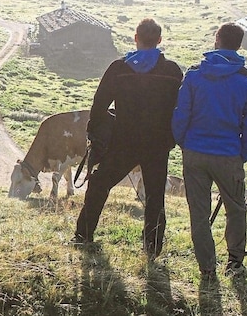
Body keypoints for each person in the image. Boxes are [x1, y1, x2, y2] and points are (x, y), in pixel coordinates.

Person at [74, 18, 183, 259]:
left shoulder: (119, 68)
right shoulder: (173, 72)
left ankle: (83, 235)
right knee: (155, 195)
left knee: (100, 183)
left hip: (124, 141)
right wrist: (173, 136)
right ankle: (152, 249)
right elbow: (180, 108)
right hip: (157, 144)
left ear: (136, 38)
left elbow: (100, 103)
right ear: (159, 40)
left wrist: (95, 133)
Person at [171, 22, 247, 280]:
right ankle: (234, 262)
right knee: (236, 209)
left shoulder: (194, 76)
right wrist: (241, 154)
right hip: (229, 153)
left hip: (195, 152)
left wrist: (184, 142)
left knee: (198, 211)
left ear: (217, 40)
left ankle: (207, 268)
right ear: (239, 44)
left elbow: (181, 115)